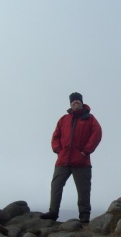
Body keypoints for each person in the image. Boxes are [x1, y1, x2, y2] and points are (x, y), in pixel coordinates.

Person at [41, 92, 102, 223]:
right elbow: (55, 136)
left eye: (77, 101)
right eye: (73, 101)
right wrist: (58, 150)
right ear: (70, 104)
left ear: (82, 102)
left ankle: (84, 216)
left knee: (83, 190)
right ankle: (53, 212)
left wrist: (85, 151)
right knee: (56, 186)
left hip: (81, 161)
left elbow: (97, 134)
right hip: (63, 161)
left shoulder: (90, 118)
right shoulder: (64, 119)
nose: (75, 102)